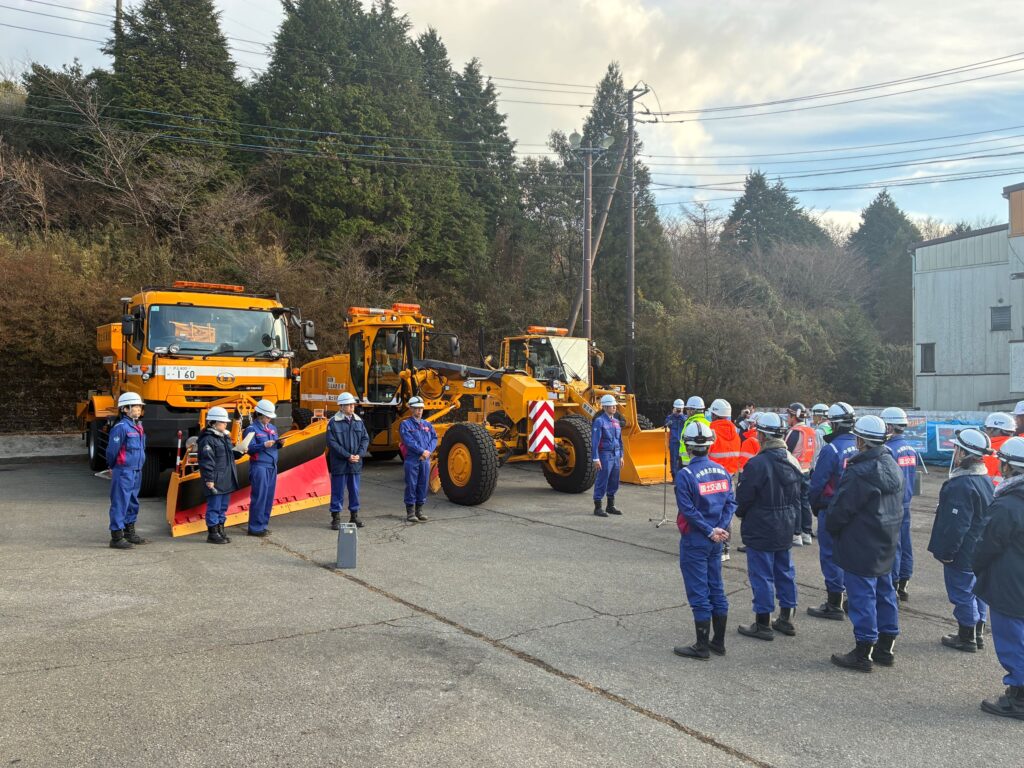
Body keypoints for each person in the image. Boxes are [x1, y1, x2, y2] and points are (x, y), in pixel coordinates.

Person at [827, 415, 903, 672]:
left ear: (861, 441)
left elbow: (841, 509)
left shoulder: (860, 472)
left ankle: (863, 652)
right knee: (885, 591)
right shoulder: (891, 463)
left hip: (861, 541)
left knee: (862, 597)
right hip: (886, 538)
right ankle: (886, 646)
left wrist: (832, 527)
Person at [735, 412, 803, 641]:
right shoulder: (792, 460)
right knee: (785, 570)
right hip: (786, 522)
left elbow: (744, 497)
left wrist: (742, 513)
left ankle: (762, 623)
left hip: (762, 524)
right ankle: (786, 618)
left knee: (762, 574)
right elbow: (800, 495)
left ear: (762, 436)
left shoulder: (757, 464)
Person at [672, 421, 735, 660]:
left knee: (699, 591)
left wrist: (709, 530)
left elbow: (687, 510)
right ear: (711, 444)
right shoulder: (722, 471)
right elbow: (730, 503)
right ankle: (718, 642)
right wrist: (720, 528)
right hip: (716, 539)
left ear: (687, 447)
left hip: (696, 539)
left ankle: (702, 647)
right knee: (716, 588)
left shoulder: (685, 475)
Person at [927, 428, 994, 652]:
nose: (953, 452)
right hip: (980, 547)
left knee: (962, 592)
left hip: (964, 551)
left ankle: (967, 636)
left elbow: (957, 526)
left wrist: (947, 553)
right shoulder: (984, 478)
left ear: (964, 454)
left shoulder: (962, 485)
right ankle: (977, 631)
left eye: (956, 448)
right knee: (977, 590)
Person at [974, 437, 1024, 720]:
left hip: (1010, 584)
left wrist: (976, 567)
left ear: (1009, 468)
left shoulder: (1008, 505)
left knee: (1012, 640)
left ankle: (1019, 697)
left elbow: (986, 544)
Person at [807, 402, 859, 620]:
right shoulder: (860, 445)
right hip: (855, 511)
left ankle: (834, 602)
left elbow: (818, 483)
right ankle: (853, 598)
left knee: (830, 556)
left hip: (831, 508)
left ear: (834, 424)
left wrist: (815, 505)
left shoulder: (832, 449)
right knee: (851, 556)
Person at [881, 407, 918, 601]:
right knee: (906, 543)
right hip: (906, 502)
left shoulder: (889, 450)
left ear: (888, 426)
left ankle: (893, 583)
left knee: (893, 546)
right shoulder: (910, 448)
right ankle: (904, 581)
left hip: (893, 504)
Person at [105, 391, 148, 550]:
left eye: (139, 406)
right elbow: (112, 451)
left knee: (133, 501)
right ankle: (116, 536)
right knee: (120, 501)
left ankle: (129, 532)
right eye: (135, 406)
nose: (138, 409)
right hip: (123, 470)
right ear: (125, 409)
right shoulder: (121, 427)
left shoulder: (138, 426)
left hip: (136, 469)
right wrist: (111, 466)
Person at [198, 406, 242, 545]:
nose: (225, 424)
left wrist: (240, 452)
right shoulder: (207, 440)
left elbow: (229, 455)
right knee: (214, 507)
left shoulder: (224, 437)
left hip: (226, 477)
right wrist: (209, 479)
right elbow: (207, 461)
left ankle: (220, 530)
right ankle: (212, 533)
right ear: (213, 423)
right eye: (222, 422)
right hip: (216, 478)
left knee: (222, 507)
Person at [327, 392, 370, 529]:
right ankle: (336, 518)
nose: (352, 407)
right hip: (340, 463)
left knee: (354, 491)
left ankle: (354, 516)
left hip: (355, 462)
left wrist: (360, 454)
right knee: (337, 491)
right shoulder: (333, 422)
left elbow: (365, 439)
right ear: (341, 407)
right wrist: (347, 455)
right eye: (348, 405)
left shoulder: (358, 421)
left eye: (352, 405)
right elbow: (332, 443)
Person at [708, 398, 742, 561]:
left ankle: (714, 546)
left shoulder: (711, 431)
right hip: (729, 477)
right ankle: (725, 549)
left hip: (712, 477)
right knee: (727, 512)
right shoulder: (735, 431)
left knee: (710, 511)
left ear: (714, 414)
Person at [243, 399, 283, 537]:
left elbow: (274, 444)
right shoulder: (251, 429)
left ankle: (263, 525)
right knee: (259, 497)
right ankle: (255, 527)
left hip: (272, 465)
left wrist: (279, 443)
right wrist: (263, 445)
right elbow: (248, 448)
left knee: (268, 497)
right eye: (267, 416)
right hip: (259, 466)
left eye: (270, 417)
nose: (269, 419)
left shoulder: (272, 428)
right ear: (259, 415)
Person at [400, 396, 437, 523]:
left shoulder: (427, 424)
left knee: (423, 484)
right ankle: (410, 512)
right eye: (416, 408)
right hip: (412, 459)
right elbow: (408, 441)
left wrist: (428, 452)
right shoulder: (405, 424)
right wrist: (422, 451)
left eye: (421, 408)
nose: (419, 411)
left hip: (425, 459)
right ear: (410, 408)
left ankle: (419, 510)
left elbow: (434, 438)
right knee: (411, 484)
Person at [786, 402, 816, 546]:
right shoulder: (810, 431)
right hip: (807, 469)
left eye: (789, 415)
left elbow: (786, 451)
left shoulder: (795, 432)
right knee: (804, 502)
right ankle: (806, 533)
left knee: (795, 502)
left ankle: (796, 534)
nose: (787, 418)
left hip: (795, 470)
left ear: (794, 416)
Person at [592, 394, 624, 517]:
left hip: (616, 455)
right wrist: (596, 458)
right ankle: (598, 507)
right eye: (611, 406)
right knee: (602, 480)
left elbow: (620, 440)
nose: (614, 407)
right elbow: (595, 441)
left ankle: (610, 506)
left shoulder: (616, 422)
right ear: (604, 407)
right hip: (605, 455)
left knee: (614, 480)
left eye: (615, 405)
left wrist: (621, 456)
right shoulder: (599, 421)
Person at [983, 412, 1015, 486]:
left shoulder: (986, 450)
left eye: (986, 428)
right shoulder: (1018, 446)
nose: (985, 431)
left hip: (990, 492)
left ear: (991, 429)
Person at [677, 396, 709, 468]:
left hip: (689, 462)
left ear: (692, 410)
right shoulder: (708, 423)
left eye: (687, 409)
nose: (686, 411)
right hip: (703, 462)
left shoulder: (691, 424)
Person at [665, 398, 687, 478]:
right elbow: (666, 424)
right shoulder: (670, 418)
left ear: (682, 409)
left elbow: (687, 422)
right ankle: (674, 476)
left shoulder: (685, 418)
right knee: (673, 460)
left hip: (683, 443)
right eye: (677, 409)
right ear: (674, 408)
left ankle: (681, 476)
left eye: (679, 409)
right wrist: (673, 415)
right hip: (673, 442)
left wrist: (681, 416)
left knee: (681, 460)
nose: (678, 410)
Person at [810, 403, 831, 469]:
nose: (812, 417)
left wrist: (812, 470)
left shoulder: (817, 432)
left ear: (819, 417)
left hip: (820, 467)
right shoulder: (830, 429)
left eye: (814, 415)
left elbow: (816, 454)